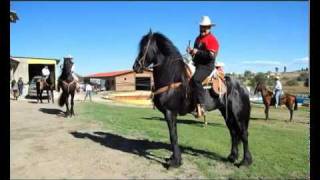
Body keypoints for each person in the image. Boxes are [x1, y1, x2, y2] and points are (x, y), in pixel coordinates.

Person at [186, 15, 219, 118]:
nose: (203, 29)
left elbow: (210, 55)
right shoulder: (197, 39)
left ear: (210, 28)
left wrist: (197, 51)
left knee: (195, 80)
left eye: (205, 27)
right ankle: (193, 106)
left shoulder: (212, 39)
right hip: (198, 65)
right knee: (187, 80)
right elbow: (196, 54)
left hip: (207, 66)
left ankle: (203, 106)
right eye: (202, 27)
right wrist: (191, 52)